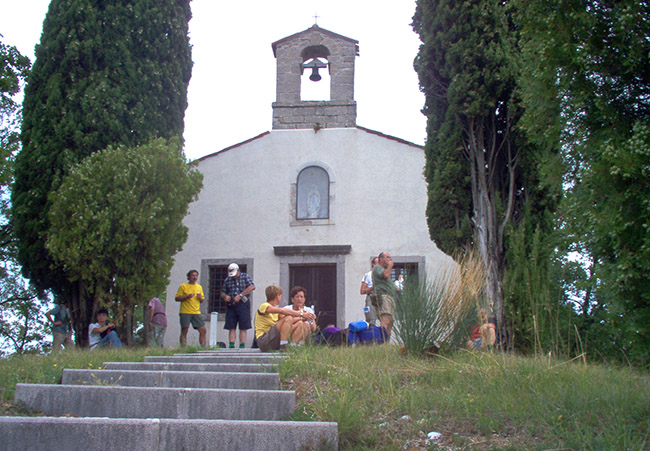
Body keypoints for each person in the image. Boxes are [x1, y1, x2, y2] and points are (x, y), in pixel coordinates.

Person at [254, 285, 316, 352]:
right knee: (288, 317)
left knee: (301, 323)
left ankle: (293, 346)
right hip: (264, 340)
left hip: (274, 340)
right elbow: (282, 311)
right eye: (281, 295)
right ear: (277, 296)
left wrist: (304, 318)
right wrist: (301, 314)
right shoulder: (264, 306)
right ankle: (283, 345)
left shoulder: (276, 310)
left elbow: (290, 321)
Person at [221, 263, 255, 348]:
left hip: (243, 304)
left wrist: (240, 295)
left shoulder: (245, 276)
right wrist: (225, 296)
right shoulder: (227, 280)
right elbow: (222, 292)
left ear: (238, 271)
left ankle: (242, 346)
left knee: (243, 326)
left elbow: (252, 287)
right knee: (231, 326)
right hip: (231, 304)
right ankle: (231, 345)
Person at [175, 269, 207, 347]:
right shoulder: (183, 286)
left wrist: (200, 298)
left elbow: (202, 300)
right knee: (185, 329)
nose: (194, 277)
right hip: (185, 311)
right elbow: (177, 298)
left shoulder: (199, 287)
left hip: (196, 312)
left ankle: (203, 347)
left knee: (203, 329)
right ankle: (183, 347)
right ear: (188, 277)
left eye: (196, 275)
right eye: (193, 275)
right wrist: (187, 297)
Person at [371, 251, 397, 337]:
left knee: (390, 321)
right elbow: (385, 275)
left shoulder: (383, 269)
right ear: (381, 259)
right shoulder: (377, 267)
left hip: (389, 297)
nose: (390, 259)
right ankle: (381, 340)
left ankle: (386, 341)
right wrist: (390, 265)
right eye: (388, 257)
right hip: (383, 296)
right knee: (385, 319)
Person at [360, 257, 380, 326]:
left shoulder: (385, 275)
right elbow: (362, 291)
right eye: (378, 263)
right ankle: (371, 335)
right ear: (373, 264)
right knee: (371, 319)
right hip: (371, 297)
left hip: (383, 297)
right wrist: (373, 287)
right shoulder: (368, 275)